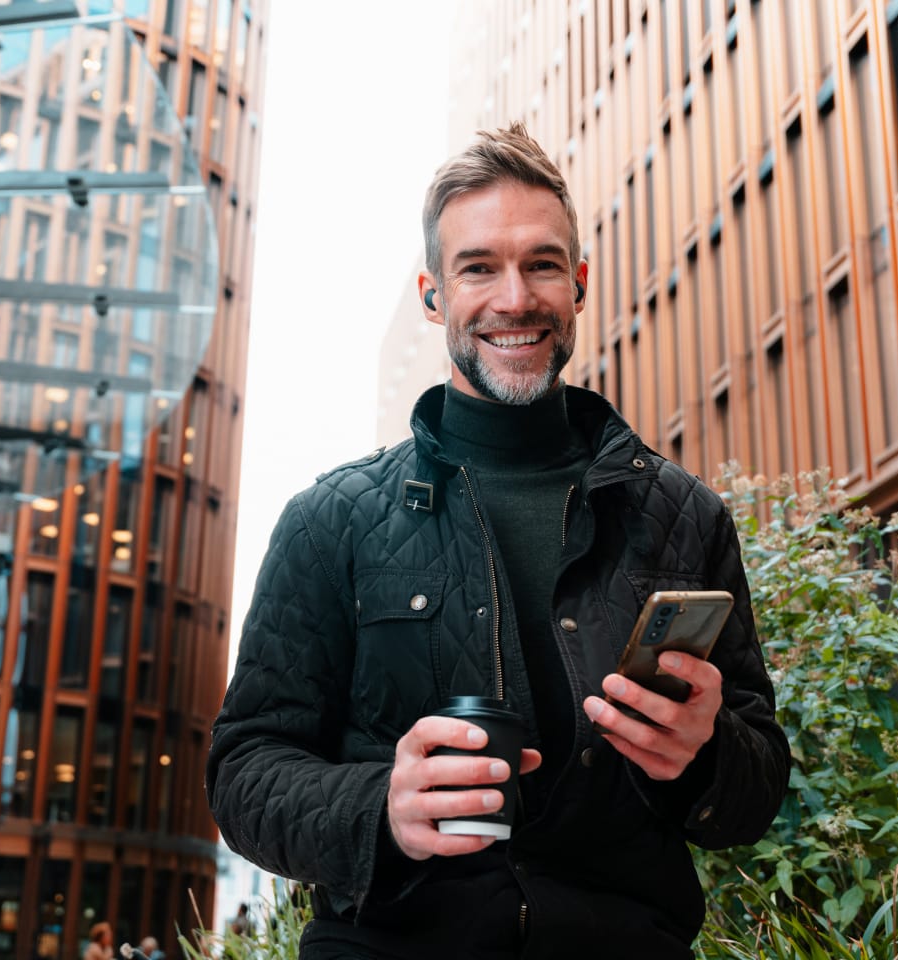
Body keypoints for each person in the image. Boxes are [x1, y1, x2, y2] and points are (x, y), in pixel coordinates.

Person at [206, 123, 789, 958]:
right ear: (433, 293)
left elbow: (757, 783)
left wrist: (703, 754)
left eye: (542, 264)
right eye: (478, 267)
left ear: (579, 284)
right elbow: (243, 773)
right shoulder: (329, 519)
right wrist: (384, 807)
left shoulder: (683, 514)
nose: (514, 298)